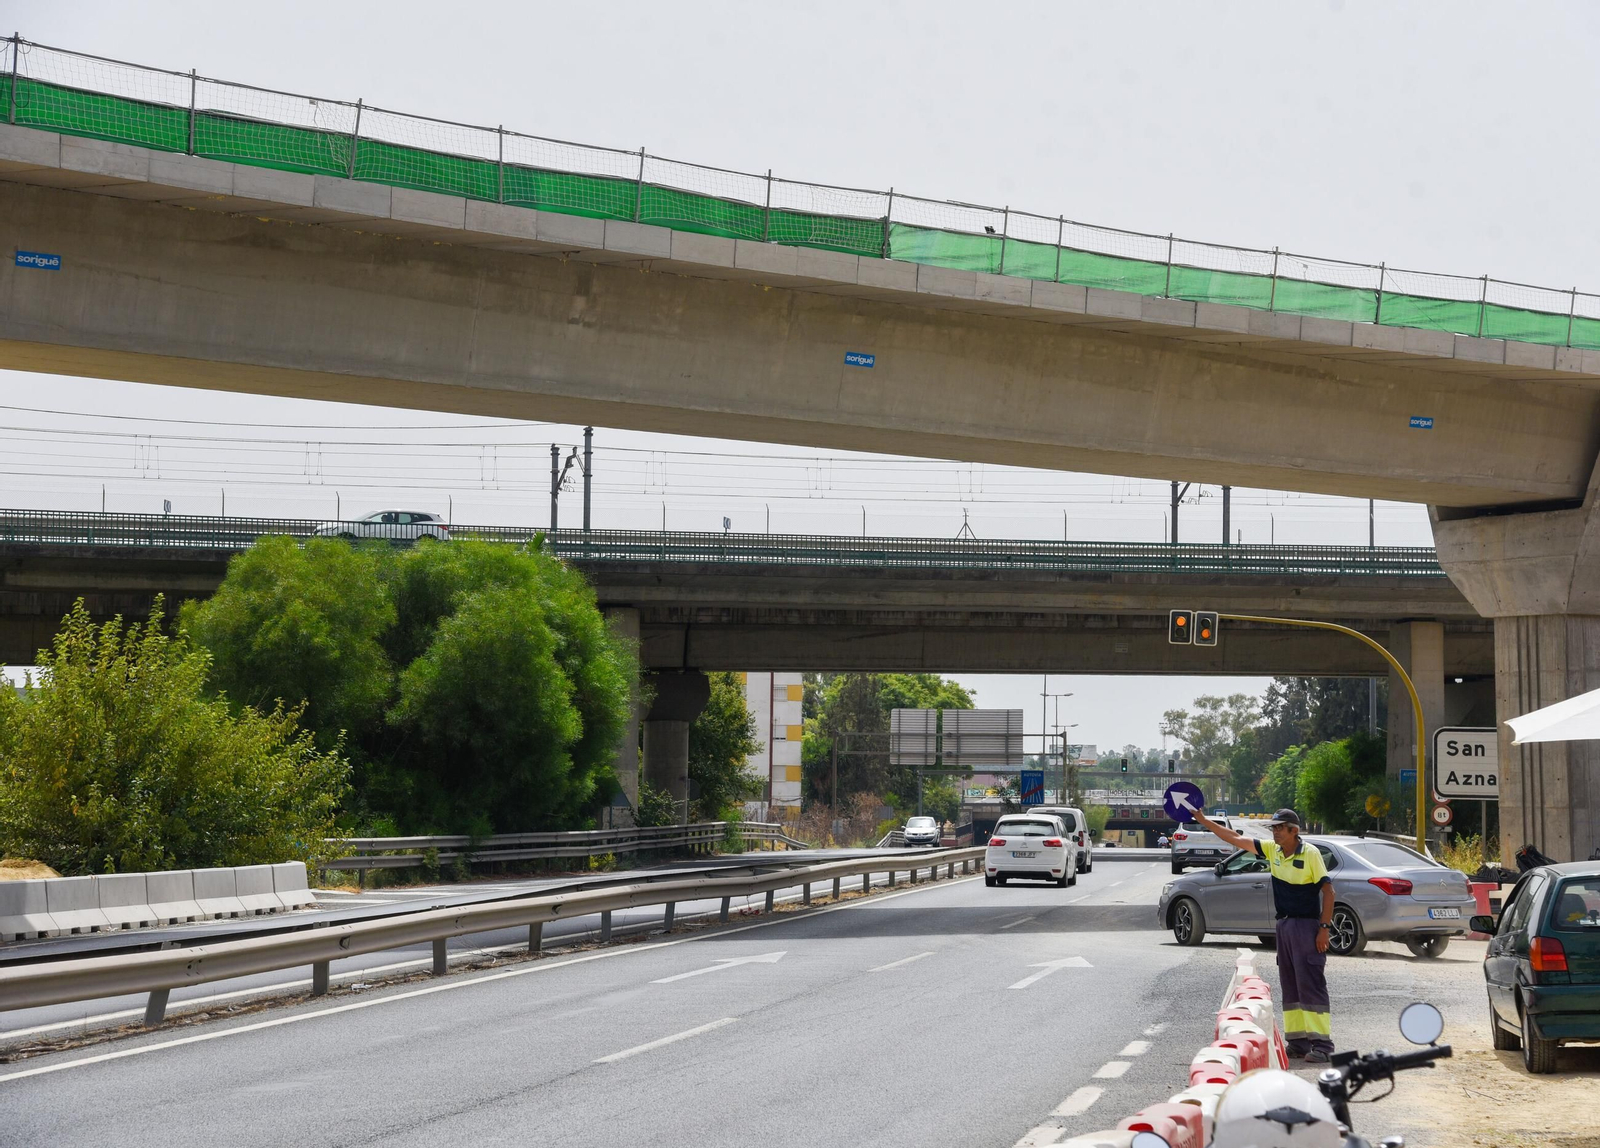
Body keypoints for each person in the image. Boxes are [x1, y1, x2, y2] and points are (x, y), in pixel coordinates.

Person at [1192, 806, 1336, 1063]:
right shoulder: (1272, 850)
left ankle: (1322, 1045)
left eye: (1280, 828)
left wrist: (1323, 929)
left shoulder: (1311, 854)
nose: (1275, 832)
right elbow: (1234, 839)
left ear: (1294, 831)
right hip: (1284, 926)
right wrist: (1204, 821)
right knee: (1290, 983)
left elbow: (1329, 892)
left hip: (1306, 926)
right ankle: (1299, 1041)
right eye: (1274, 828)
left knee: (1310, 984)